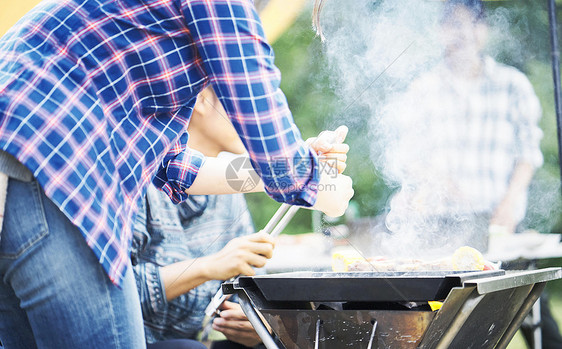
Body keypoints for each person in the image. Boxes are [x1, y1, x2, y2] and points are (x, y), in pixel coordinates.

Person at [0, 0, 354, 347]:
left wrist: (294, 167)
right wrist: (312, 181)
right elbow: (257, 102)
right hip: (48, 155)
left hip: (18, 157)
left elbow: (172, 165)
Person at [380, 0, 562, 347]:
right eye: (451, 25)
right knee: (450, 327)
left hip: (504, 226)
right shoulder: (424, 88)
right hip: (445, 228)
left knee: (537, 321)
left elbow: (528, 152)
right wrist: (439, 183)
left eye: (468, 25)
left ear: (483, 31)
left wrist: (510, 202)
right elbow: (409, 155)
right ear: (440, 32)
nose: (460, 33)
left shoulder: (513, 84)